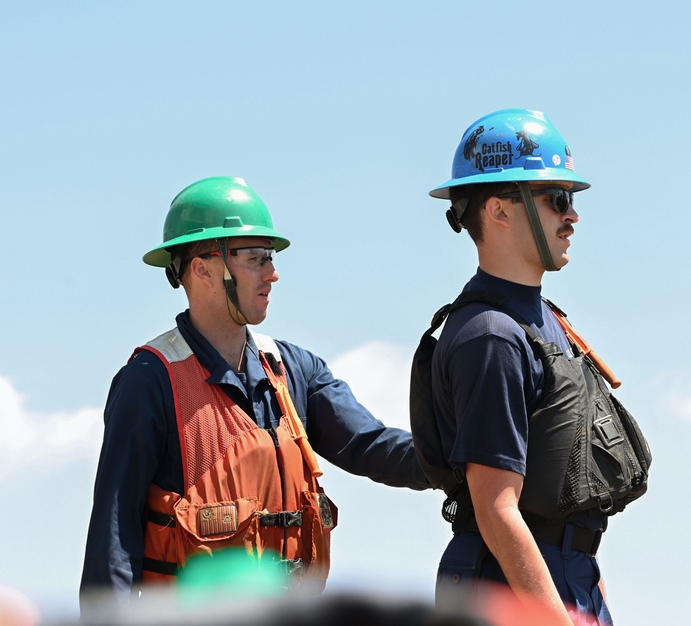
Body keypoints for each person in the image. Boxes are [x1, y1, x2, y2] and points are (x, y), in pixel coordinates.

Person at [81, 175, 430, 610]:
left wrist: (464, 457)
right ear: (202, 269)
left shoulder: (294, 369)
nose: (273, 273)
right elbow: (113, 541)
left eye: (271, 258)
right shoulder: (148, 381)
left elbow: (370, 444)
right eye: (256, 258)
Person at [418, 109, 651, 625]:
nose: (572, 215)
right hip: (510, 590)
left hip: (563, 577)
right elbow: (498, 510)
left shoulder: (544, 321)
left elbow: (567, 501)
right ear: (499, 210)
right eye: (556, 199)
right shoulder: (491, 336)